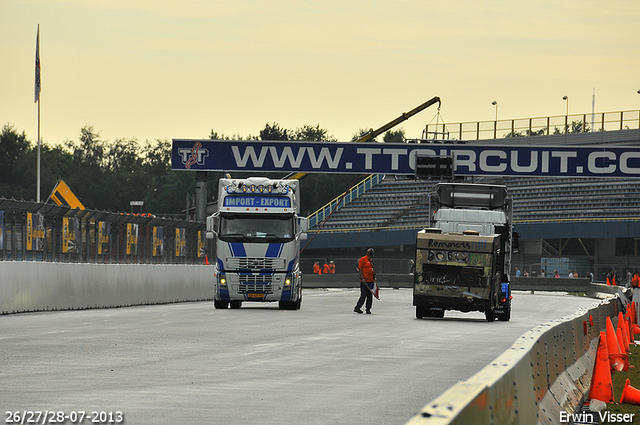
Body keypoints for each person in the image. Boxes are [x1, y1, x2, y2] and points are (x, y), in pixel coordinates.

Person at [354, 248, 376, 314]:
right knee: (363, 295)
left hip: (370, 280)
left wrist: (374, 278)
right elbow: (360, 269)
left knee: (370, 295)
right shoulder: (363, 259)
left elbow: (372, 270)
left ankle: (368, 309)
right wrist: (362, 278)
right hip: (365, 281)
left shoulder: (370, 261)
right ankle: (357, 308)